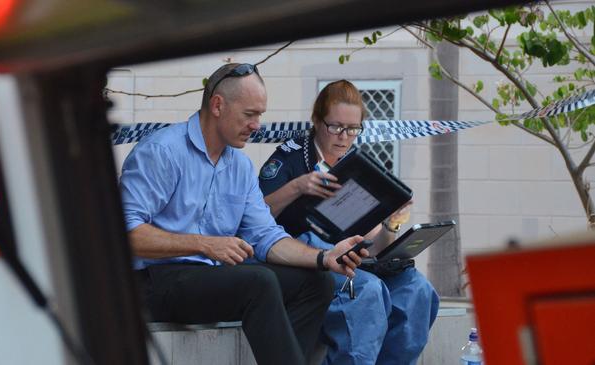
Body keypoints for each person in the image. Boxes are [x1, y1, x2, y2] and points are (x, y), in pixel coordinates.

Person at [119, 64, 368, 365]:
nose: (257, 125)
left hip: (207, 279)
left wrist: (324, 259)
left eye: (260, 115)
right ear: (218, 106)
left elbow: (267, 236)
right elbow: (126, 235)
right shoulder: (161, 151)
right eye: (250, 114)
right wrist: (204, 244)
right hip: (152, 282)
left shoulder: (240, 165)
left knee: (317, 283)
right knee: (258, 281)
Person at [259, 80, 440, 365]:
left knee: (416, 288)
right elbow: (254, 217)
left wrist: (392, 224)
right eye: (336, 127)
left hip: (353, 260)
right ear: (317, 121)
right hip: (303, 262)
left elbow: (376, 244)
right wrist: (298, 187)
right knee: (366, 290)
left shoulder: (357, 165)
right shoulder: (290, 158)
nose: (344, 137)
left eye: (353, 129)